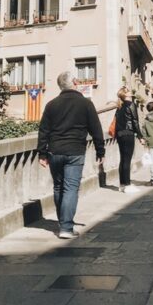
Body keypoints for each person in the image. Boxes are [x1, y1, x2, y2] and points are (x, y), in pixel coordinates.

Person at [38, 70, 105, 238]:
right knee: (70, 189)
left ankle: (63, 223)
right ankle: (66, 228)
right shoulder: (85, 104)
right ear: (75, 83)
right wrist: (100, 150)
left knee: (58, 187)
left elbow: (43, 131)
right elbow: (96, 129)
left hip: (55, 151)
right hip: (75, 151)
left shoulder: (51, 104)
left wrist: (42, 153)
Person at [114, 87, 145, 193]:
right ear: (125, 94)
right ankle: (127, 185)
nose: (131, 91)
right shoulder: (131, 104)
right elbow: (135, 122)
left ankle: (122, 184)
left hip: (120, 135)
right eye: (128, 90)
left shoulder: (119, 106)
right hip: (128, 134)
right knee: (127, 160)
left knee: (123, 159)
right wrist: (140, 137)